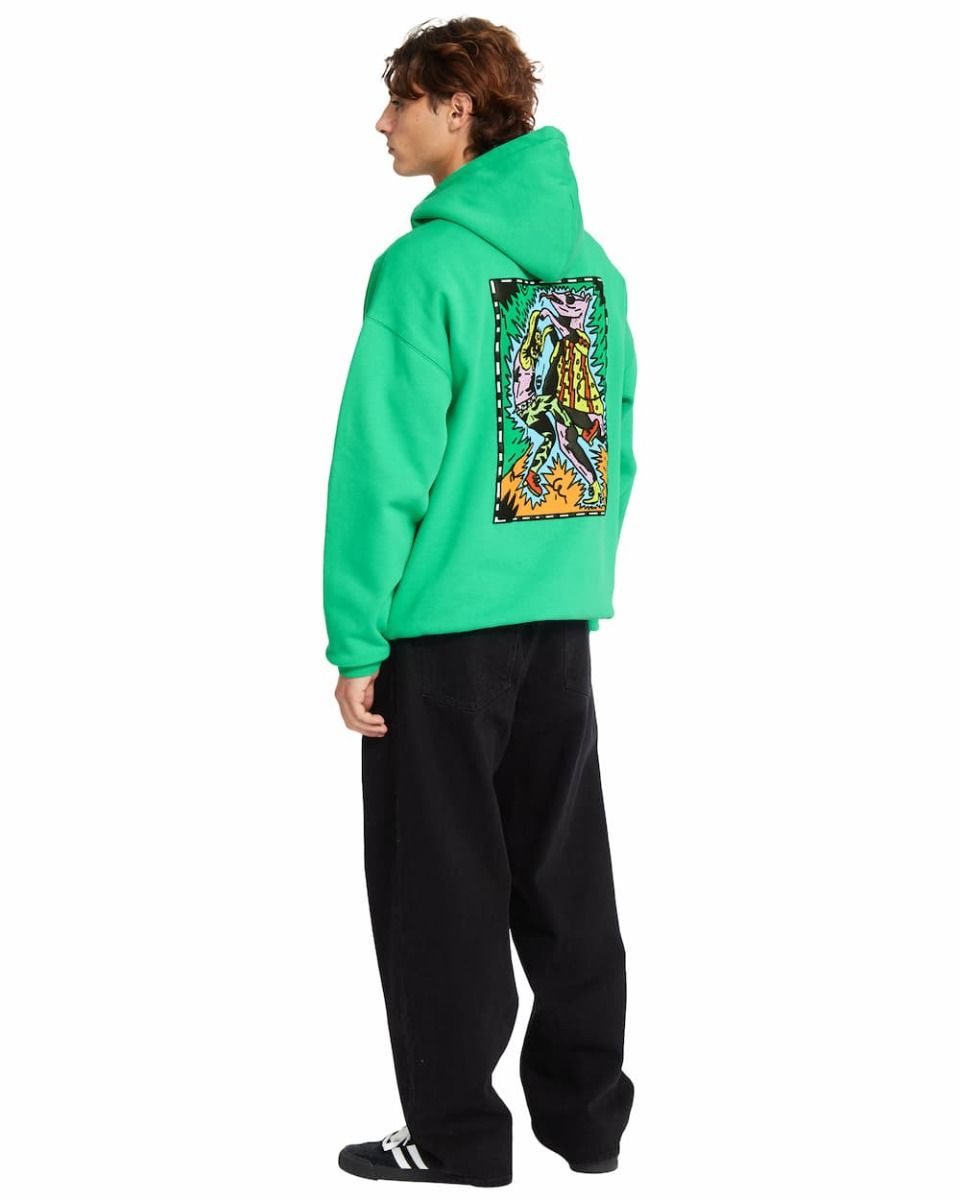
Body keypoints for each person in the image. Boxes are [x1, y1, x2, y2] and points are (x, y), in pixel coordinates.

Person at [323, 17, 638, 1188]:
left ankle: (458, 1139)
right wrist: (572, 579)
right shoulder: (591, 269)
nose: (383, 122)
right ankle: (588, 1122)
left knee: (440, 891)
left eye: (401, 99)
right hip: (556, 627)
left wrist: (357, 638)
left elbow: (381, 472)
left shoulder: (426, 270)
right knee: (565, 876)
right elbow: (614, 451)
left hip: (442, 640)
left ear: (458, 108)